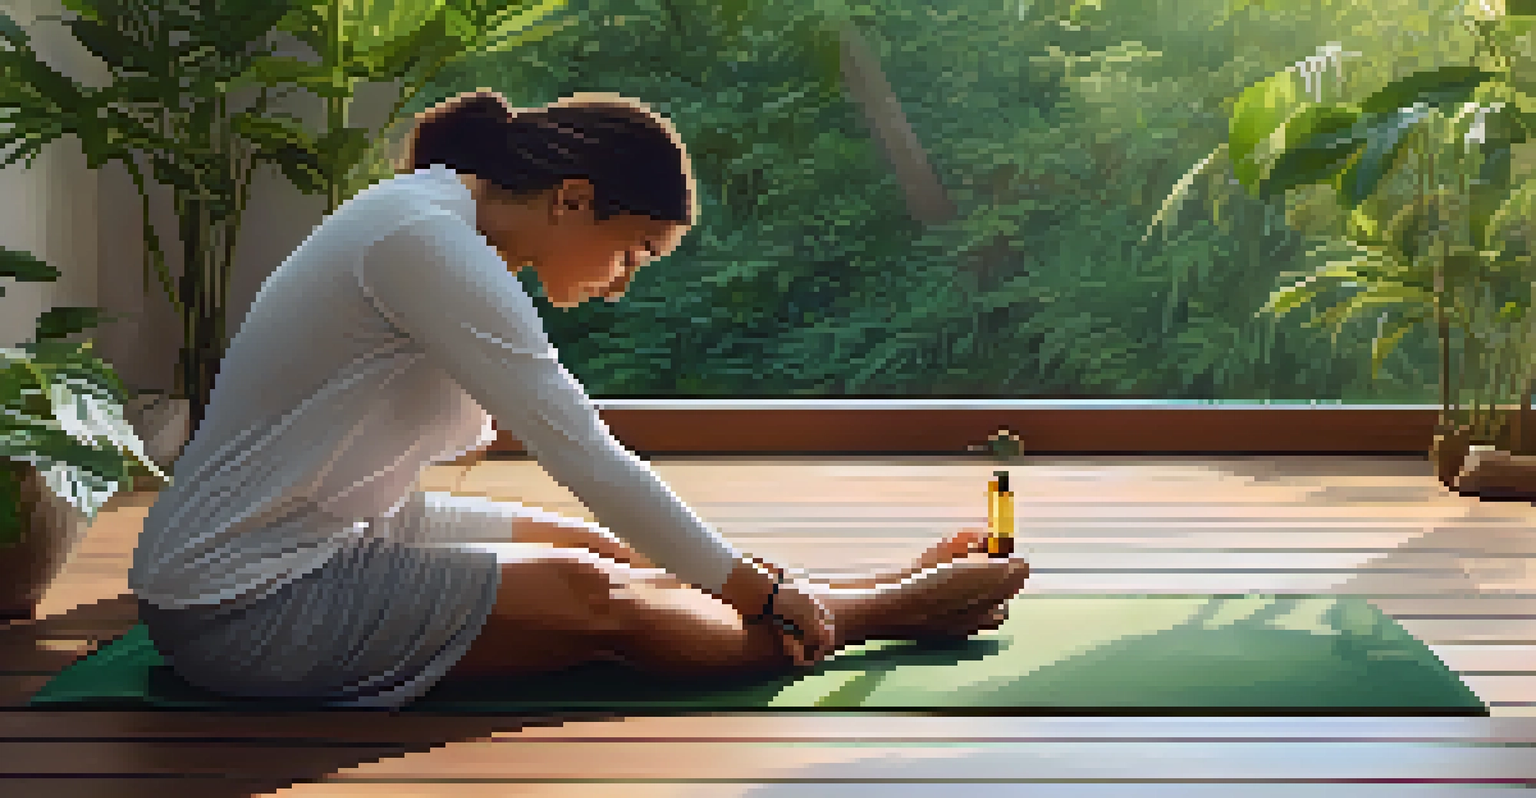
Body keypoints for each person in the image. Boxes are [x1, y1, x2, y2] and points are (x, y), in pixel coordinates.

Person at [127, 89, 1031, 709]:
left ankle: (854, 593)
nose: (624, 281)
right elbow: (582, 452)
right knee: (593, 594)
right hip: (244, 599)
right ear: (571, 200)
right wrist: (757, 586)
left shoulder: (435, 220)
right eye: (633, 250)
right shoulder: (425, 242)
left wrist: (755, 584)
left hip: (340, 528)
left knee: (601, 545)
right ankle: (883, 613)